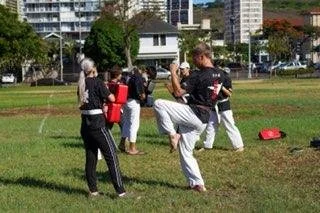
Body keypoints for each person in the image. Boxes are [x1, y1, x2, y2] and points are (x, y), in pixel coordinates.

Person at [153, 42, 224, 192]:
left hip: (195, 113)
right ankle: (198, 184)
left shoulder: (199, 74)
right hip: (205, 117)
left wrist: (173, 73)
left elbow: (178, 93)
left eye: (195, 59)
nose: (193, 63)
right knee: (186, 152)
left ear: (202, 56)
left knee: (159, 103)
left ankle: (172, 135)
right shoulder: (220, 74)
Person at [78, 58, 126, 198]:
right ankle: (121, 192)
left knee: (91, 158)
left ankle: (93, 191)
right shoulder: (98, 82)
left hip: (85, 124)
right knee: (111, 156)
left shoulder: (80, 84)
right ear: (92, 69)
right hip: (97, 124)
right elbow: (111, 98)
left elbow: (83, 103)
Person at [200, 65, 244, 152]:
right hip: (213, 104)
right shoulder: (211, 78)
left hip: (224, 104)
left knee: (229, 124)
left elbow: (229, 94)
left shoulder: (226, 78)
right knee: (211, 125)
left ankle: (239, 146)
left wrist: (221, 87)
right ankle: (207, 146)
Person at [119, 66, 146, 155]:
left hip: (125, 101)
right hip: (133, 102)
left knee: (126, 123)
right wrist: (143, 96)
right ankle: (132, 148)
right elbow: (141, 93)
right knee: (134, 124)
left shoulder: (127, 76)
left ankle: (122, 144)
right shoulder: (137, 76)